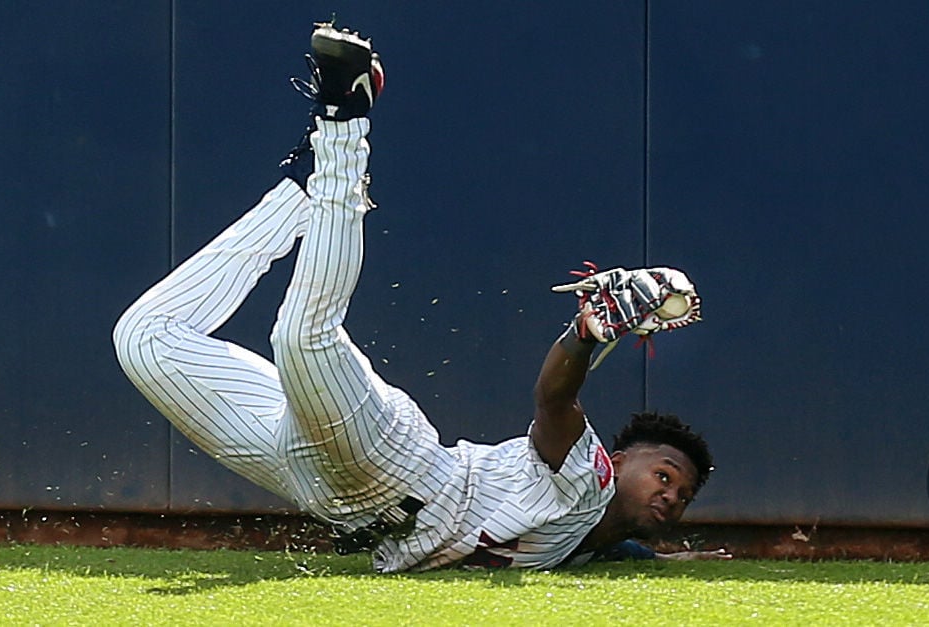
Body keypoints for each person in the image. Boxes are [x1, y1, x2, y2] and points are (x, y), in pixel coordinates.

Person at [113, 20, 725, 572]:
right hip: (394, 469)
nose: (672, 495)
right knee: (302, 337)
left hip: (312, 483)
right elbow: (555, 396)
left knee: (144, 339)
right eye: (665, 476)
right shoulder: (586, 480)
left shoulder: (598, 542)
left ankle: (301, 195)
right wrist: (586, 335)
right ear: (617, 463)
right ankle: (345, 130)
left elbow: (607, 542)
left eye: (683, 494)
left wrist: (655, 554)